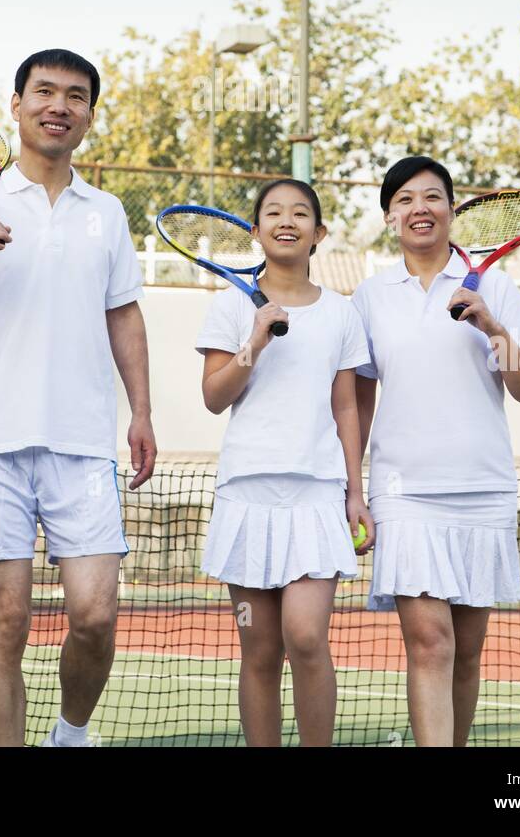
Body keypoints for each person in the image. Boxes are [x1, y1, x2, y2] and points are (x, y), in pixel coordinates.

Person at [0, 48, 156, 747]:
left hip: (82, 446)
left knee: (95, 614)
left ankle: (70, 734)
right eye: (44, 92)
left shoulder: (106, 214)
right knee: (7, 619)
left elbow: (123, 315)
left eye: (75, 96)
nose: (59, 105)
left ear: (88, 116)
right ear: (14, 105)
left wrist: (141, 411)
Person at [351, 156, 520, 748]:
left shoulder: (499, 288)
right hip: (404, 494)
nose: (419, 209)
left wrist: (494, 327)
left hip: (481, 489)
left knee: (465, 652)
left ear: (452, 210)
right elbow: (358, 403)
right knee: (431, 642)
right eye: (405, 200)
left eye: (432, 197)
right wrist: (354, 489)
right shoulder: (370, 296)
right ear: (390, 217)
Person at [196, 179, 373, 747]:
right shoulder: (228, 306)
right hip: (246, 495)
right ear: (256, 230)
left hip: (317, 497)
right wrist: (256, 338)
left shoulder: (342, 314)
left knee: (305, 637)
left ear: (318, 234)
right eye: (272, 212)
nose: (286, 220)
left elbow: (346, 406)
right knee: (260, 648)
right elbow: (214, 396)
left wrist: (355, 492)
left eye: (301, 213)